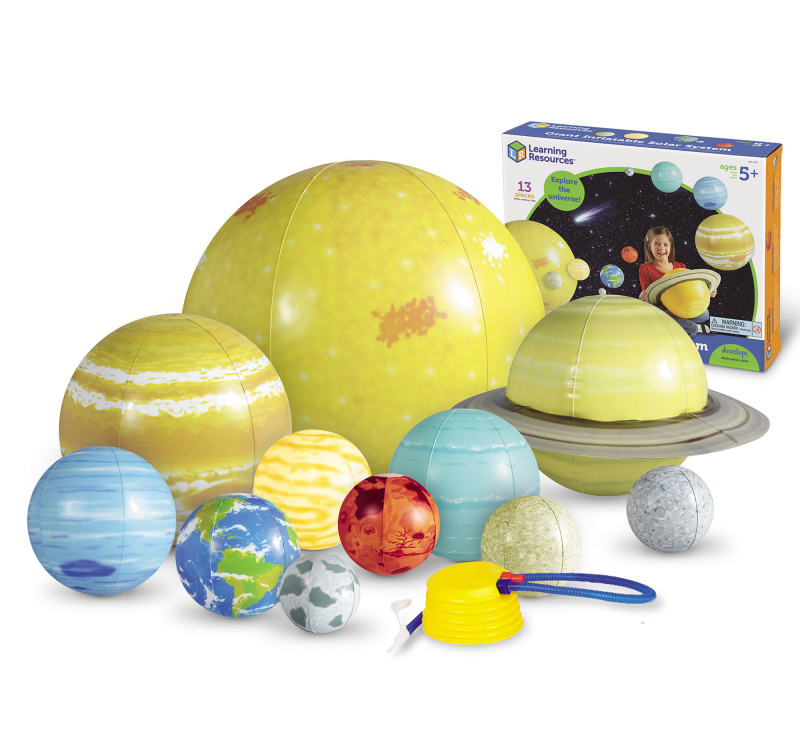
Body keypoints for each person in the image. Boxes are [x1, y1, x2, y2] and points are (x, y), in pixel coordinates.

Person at [637, 226, 716, 338]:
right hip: (661, 309)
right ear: (649, 246)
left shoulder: (680, 266)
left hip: (680, 307)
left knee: (705, 314)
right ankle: (694, 328)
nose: (661, 248)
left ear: (670, 247)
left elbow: (691, 289)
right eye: (657, 244)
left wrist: (708, 291)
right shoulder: (645, 269)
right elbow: (647, 294)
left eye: (665, 244)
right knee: (659, 316)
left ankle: (678, 323)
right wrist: (643, 295)